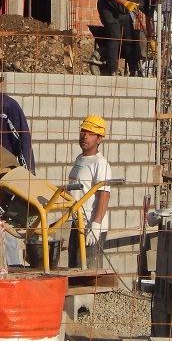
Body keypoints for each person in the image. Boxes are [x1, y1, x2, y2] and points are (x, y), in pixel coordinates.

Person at [68, 115, 112, 269]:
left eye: (91, 134)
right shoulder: (79, 159)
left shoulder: (100, 163)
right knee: (74, 269)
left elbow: (104, 196)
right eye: (83, 132)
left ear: (99, 139)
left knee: (89, 272)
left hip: (90, 226)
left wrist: (96, 226)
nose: (85, 137)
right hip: (77, 223)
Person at [96, 0, 154, 76]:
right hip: (108, 6)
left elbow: (149, 20)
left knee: (130, 38)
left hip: (122, 11)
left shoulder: (150, 1)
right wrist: (126, 3)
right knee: (115, 37)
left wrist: (151, 39)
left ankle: (134, 70)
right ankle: (112, 71)